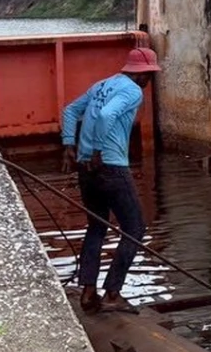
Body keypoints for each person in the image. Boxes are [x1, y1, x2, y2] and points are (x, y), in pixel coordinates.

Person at [60, 46, 161, 314]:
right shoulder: (133, 91)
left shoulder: (101, 85)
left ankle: (88, 292)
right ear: (142, 74)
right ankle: (113, 293)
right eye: (150, 75)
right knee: (135, 229)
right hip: (111, 166)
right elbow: (106, 116)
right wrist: (98, 150)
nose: (149, 80)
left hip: (86, 168)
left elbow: (70, 111)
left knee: (96, 227)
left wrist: (69, 145)